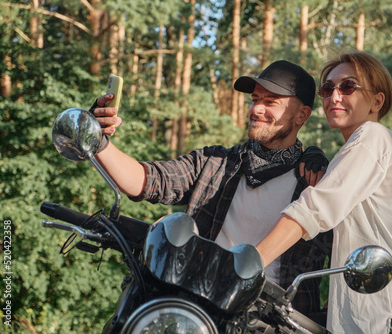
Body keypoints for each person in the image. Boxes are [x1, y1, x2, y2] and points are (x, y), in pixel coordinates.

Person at [90, 60, 333, 322]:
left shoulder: (317, 183)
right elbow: (147, 180)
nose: (256, 109)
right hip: (198, 308)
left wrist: (327, 318)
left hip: (272, 322)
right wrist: (98, 139)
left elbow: (350, 253)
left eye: (270, 102)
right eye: (254, 99)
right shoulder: (214, 162)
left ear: (302, 115)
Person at [256, 52, 392, 333]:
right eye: (328, 89)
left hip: (388, 320)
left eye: (348, 86)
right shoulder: (364, 150)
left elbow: (314, 210)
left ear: (377, 101)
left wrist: (246, 263)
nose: (335, 96)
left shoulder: (373, 137)